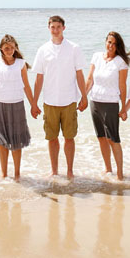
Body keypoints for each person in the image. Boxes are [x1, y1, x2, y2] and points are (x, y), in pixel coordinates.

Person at [31, 15, 88, 178]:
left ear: (64, 28)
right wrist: (34, 103)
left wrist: (84, 97)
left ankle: (70, 171)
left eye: (58, 27)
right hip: (49, 101)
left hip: (69, 99)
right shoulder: (43, 50)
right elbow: (39, 78)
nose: (55, 30)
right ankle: (54, 171)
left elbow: (79, 74)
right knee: (52, 138)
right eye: (52, 27)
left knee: (69, 137)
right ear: (48, 28)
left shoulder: (74, 48)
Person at [0, 34, 38, 180]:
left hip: (17, 105)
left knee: (16, 141)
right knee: (2, 141)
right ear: (1, 49)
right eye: (6, 48)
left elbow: (26, 86)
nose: (9, 50)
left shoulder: (21, 63)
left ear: (15, 48)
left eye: (12, 48)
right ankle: (3, 174)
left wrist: (33, 104)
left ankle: (17, 174)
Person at [85, 31, 130, 180]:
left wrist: (123, 107)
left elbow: (122, 86)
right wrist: (83, 98)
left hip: (111, 104)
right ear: (105, 42)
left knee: (113, 138)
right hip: (95, 102)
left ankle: (120, 174)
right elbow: (90, 79)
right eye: (109, 42)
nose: (111, 46)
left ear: (118, 46)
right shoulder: (96, 56)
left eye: (114, 43)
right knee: (101, 137)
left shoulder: (120, 62)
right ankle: (108, 168)